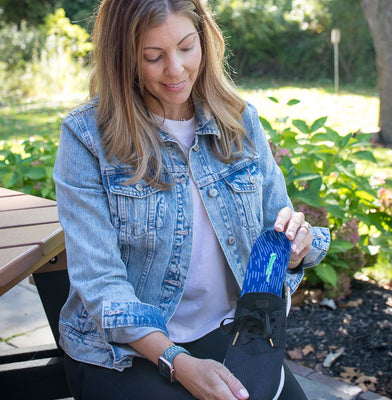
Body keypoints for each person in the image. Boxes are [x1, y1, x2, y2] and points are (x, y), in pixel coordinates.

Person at [53, 1, 330, 399]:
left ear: (204, 38)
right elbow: (101, 283)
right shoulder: (86, 138)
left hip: (229, 334)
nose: (176, 69)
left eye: (186, 47)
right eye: (153, 56)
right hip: (122, 353)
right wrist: (177, 363)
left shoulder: (238, 120)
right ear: (123, 57)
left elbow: (277, 223)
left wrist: (296, 245)